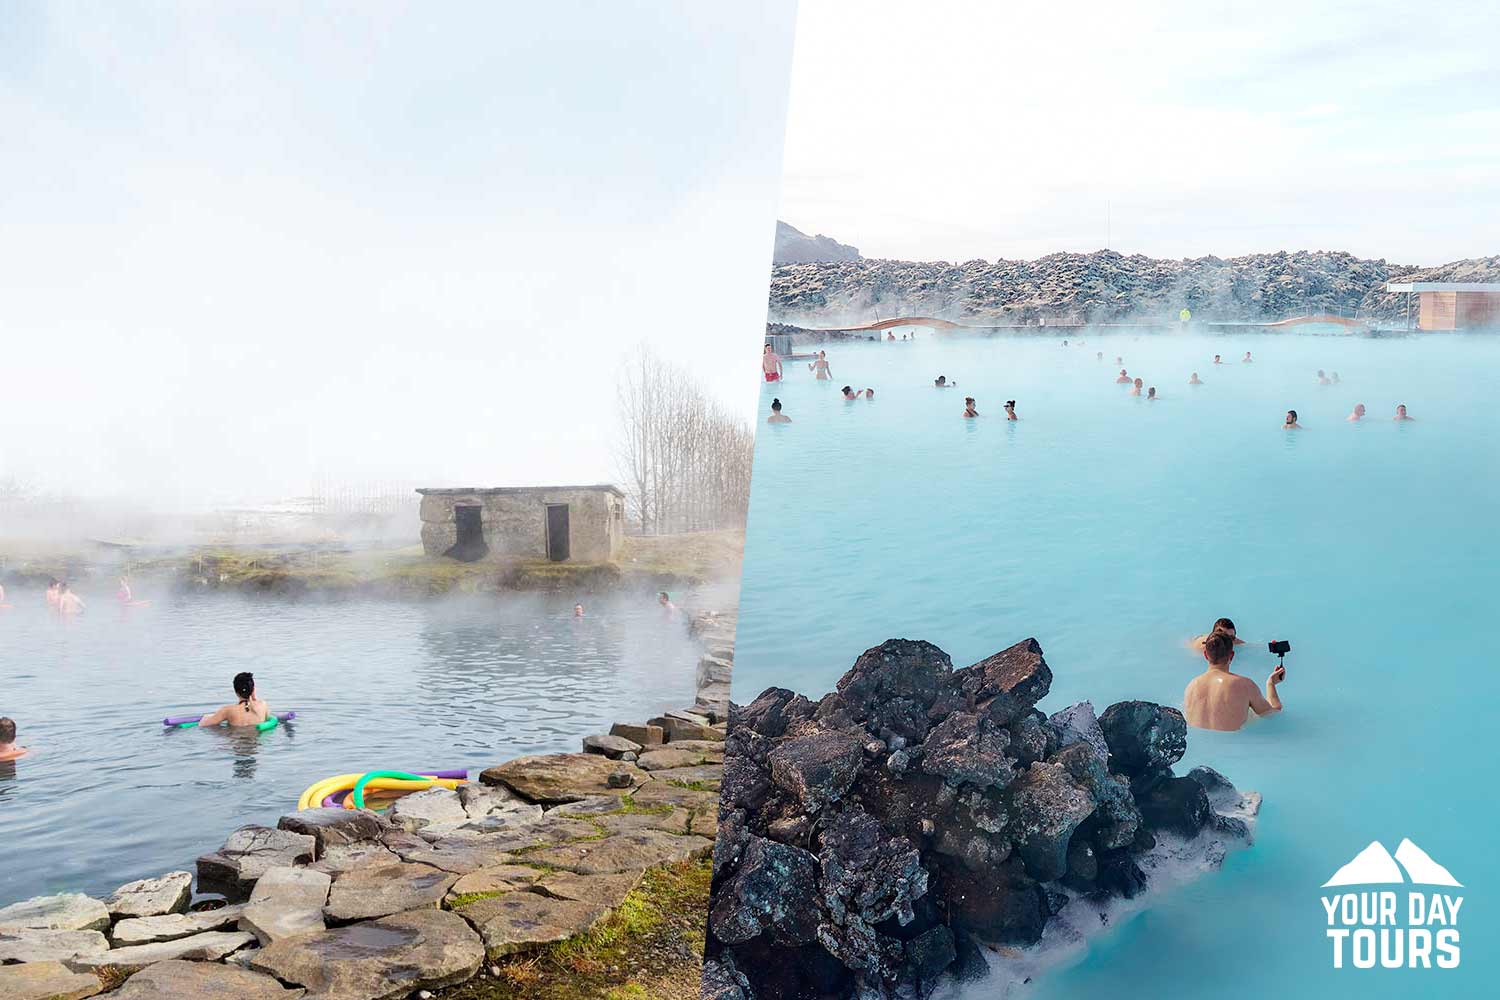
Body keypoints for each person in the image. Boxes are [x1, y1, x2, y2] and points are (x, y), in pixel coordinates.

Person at [1182, 631, 1284, 732]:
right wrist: (1271, 684)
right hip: (1236, 744)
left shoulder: (1191, 686)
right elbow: (1273, 715)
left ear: (1205, 655)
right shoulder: (1245, 686)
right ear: (1231, 655)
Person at [197, 672, 271, 728]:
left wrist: (206, 717)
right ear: (253, 689)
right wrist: (254, 697)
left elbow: (203, 725)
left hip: (236, 741)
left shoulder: (228, 710)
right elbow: (268, 720)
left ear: (236, 691)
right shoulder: (263, 705)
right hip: (256, 746)